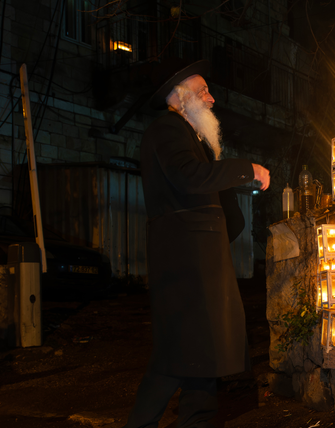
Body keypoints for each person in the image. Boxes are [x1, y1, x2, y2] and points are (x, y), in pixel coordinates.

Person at [124, 60, 270, 428]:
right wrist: (245, 169)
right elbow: (187, 177)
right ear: (182, 96)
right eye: (204, 91)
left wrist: (228, 216)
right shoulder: (167, 129)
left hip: (201, 262)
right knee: (177, 355)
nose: (212, 98)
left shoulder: (192, 140)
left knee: (205, 357)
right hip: (184, 266)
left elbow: (215, 202)